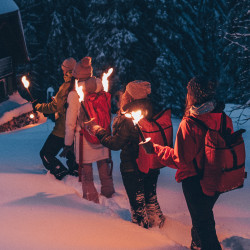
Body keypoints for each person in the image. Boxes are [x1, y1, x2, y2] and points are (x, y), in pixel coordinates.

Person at [142, 76, 231, 249]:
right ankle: (196, 246)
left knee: (204, 227)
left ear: (192, 95)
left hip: (196, 181)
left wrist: (155, 149)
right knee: (203, 219)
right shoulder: (222, 117)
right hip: (218, 178)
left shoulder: (190, 123)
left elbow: (180, 160)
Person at [85, 80, 166, 228]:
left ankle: (144, 236)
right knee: (151, 200)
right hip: (151, 164)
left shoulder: (129, 116)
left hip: (133, 167)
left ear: (131, 96)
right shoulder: (151, 109)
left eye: (126, 92)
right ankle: (160, 226)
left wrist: (98, 131)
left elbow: (115, 144)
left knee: (138, 208)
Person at [63, 56, 115, 203]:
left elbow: (70, 123)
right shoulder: (101, 88)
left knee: (86, 170)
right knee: (103, 165)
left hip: (84, 137)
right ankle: (109, 192)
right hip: (102, 134)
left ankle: (91, 199)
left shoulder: (75, 94)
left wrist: (67, 144)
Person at [33, 57, 78, 180]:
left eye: (63, 69)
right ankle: (75, 171)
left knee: (45, 153)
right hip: (76, 127)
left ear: (66, 70)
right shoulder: (80, 83)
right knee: (71, 153)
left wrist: (38, 106)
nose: (62, 71)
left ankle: (60, 172)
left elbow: (54, 107)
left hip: (63, 128)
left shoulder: (66, 86)